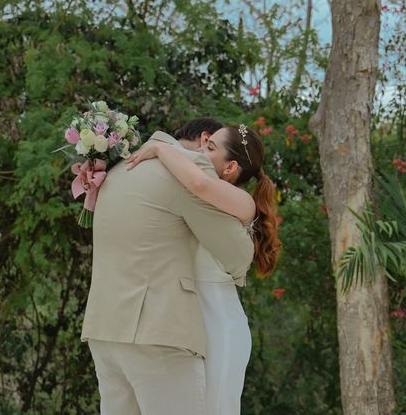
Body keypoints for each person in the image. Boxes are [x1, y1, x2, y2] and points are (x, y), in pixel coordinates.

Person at [81, 118, 254, 415]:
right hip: (156, 335)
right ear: (204, 140)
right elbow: (236, 256)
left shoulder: (120, 168)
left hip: (104, 331)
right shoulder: (186, 172)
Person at [126, 123, 282, 415]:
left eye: (210, 148)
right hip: (193, 326)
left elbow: (199, 184)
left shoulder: (241, 200)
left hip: (220, 326)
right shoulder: (198, 195)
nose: (200, 149)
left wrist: (161, 147)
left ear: (231, 166)